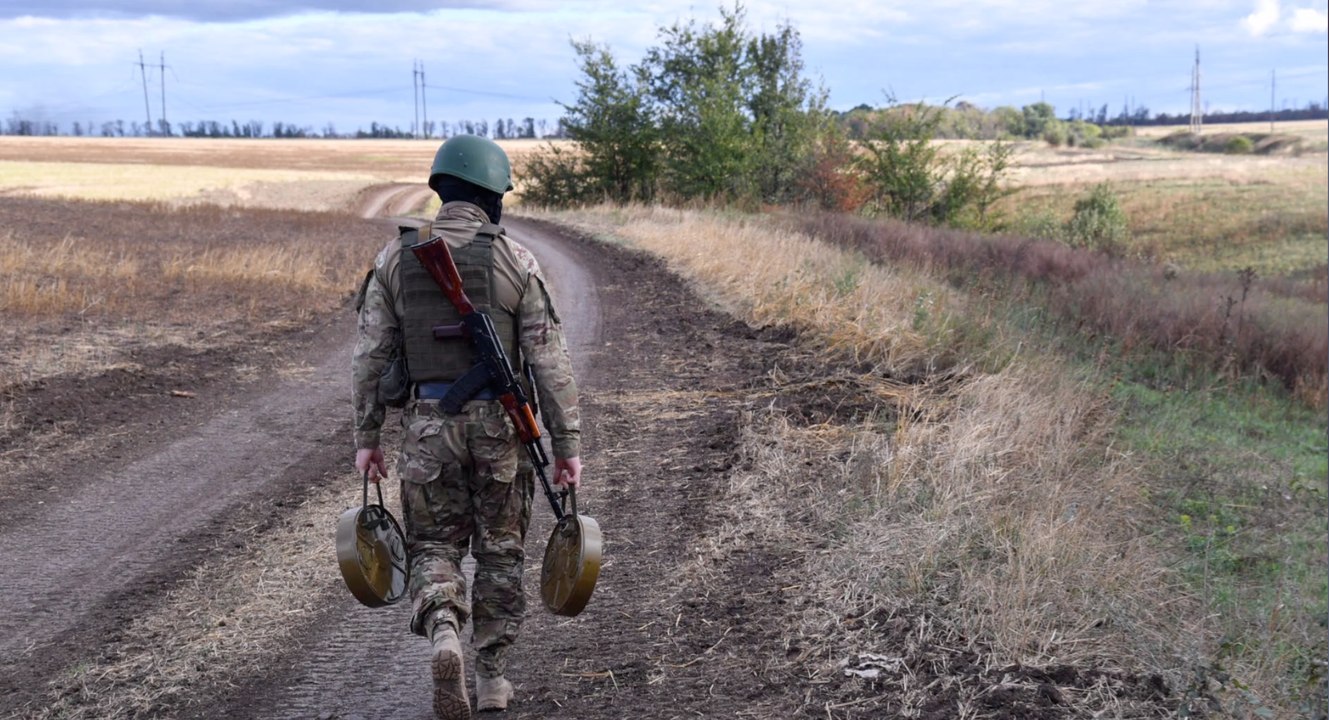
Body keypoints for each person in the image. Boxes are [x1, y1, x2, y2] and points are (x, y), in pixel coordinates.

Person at [351, 135, 582, 719]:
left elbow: (369, 359)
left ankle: (446, 631)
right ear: (491, 195)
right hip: (501, 433)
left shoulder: (393, 260)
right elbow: (551, 363)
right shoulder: (516, 259)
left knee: (433, 545)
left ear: (441, 189)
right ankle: (493, 679)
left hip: (428, 428)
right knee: (501, 554)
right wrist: (566, 446)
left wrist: (368, 438)